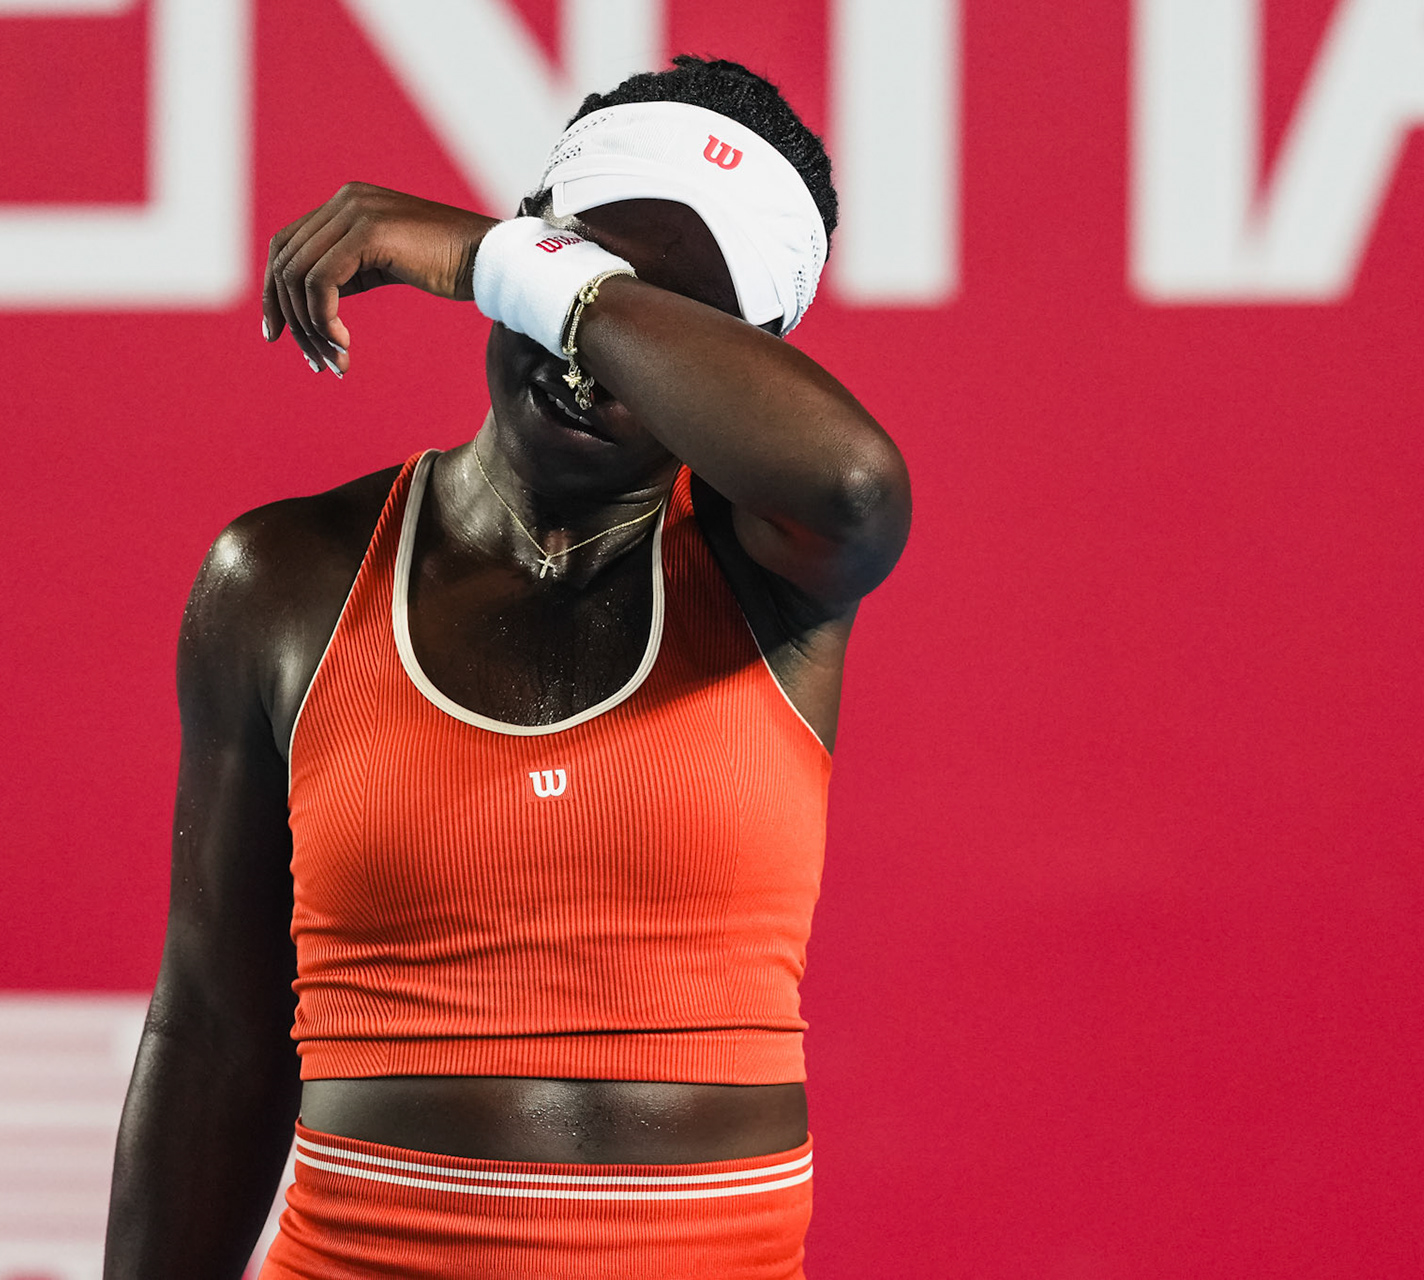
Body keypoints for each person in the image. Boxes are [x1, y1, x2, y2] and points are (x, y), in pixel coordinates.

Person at [103, 56, 911, 1279]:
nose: (587, 356)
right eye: (579, 263)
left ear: (750, 359)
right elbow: (215, 1029)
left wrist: (513, 264)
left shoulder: (776, 575)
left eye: (659, 318)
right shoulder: (283, 578)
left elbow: (852, 481)